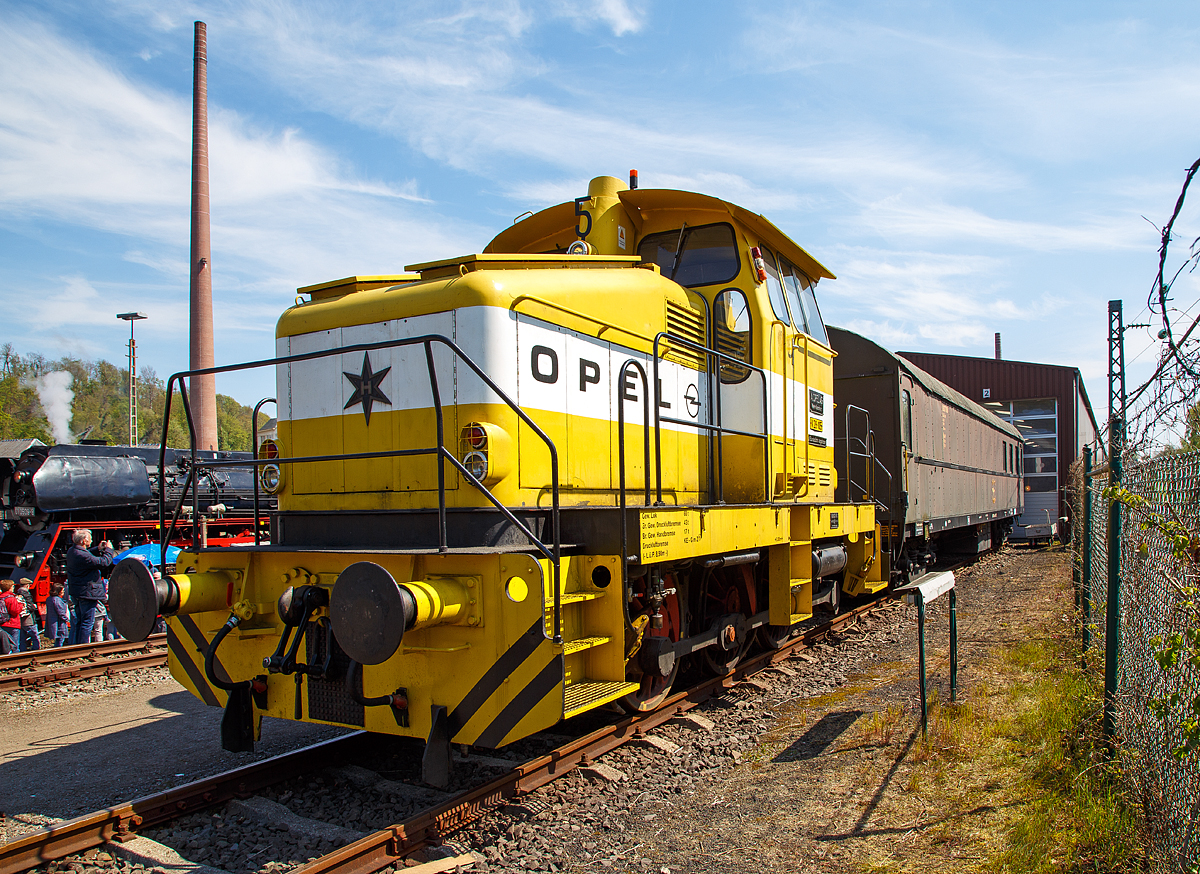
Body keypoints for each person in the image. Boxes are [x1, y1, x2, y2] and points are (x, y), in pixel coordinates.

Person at [65, 529, 114, 646]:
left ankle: (76, 644)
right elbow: (104, 562)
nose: (91, 540)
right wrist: (109, 550)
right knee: (87, 622)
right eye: (90, 538)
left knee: (79, 620)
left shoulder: (72, 551)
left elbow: (86, 555)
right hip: (87, 592)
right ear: (84, 541)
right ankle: (83, 646)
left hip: (77, 591)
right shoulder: (82, 555)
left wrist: (97, 549)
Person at [15, 580, 40, 651]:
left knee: (22, 637)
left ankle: (23, 650)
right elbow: (30, 607)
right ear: (27, 585)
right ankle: (36, 649)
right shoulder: (26, 594)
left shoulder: (17, 593)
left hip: (21, 619)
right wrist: (34, 606)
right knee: (34, 636)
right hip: (28, 619)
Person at [0, 579, 23, 654]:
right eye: (13, 586)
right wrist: (20, 605)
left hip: (2, 623)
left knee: (4, 644)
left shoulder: (1, 597)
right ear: (10, 587)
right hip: (12, 624)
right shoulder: (11, 599)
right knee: (14, 645)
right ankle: (14, 661)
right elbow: (15, 612)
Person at [45, 583, 71, 647]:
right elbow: (61, 612)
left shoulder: (49, 599)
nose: (63, 592)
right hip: (59, 623)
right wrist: (67, 618)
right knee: (61, 638)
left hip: (53, 621)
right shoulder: (57, 600)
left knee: (58, 638)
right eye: (62, 591)